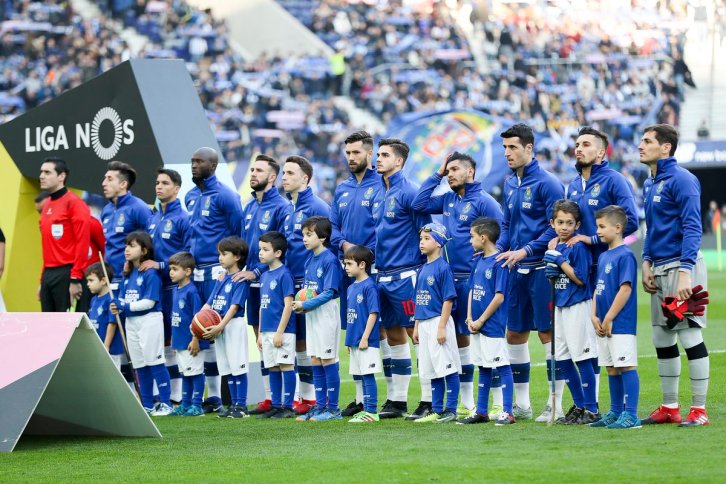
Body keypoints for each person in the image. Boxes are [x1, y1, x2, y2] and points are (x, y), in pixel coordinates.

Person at [412, 151, 503, 419]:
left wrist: (489, 262)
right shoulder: (448, 199)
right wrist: (437, 173)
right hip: (451, 279)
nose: (449, 174)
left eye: (454, 170)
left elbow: (502, 232)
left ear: (470, 171)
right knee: (457, 340)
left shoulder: (484, 201)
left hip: (474, 279)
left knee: (483, 338)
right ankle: (466, 402)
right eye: (448, 170)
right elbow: (418, 204)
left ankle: (498, 403)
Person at [561, 126, 638, 407]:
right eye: (577, 144)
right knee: (585, 339)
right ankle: (590, 406)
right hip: (579, 271)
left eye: (586, 144)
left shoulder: (615, 181)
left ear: (601, 152)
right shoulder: (572, 185)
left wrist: (592, 239)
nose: (579, 148)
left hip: (607, 269)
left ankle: (616, 408)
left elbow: (632, 221)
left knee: (609, 336)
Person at [639, 124, 710, 427]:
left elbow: (693, 227)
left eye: (647, 141)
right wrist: (646, 262)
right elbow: (652, 229)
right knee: (662, 337)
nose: (640, 145)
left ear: (666, 147)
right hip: (658, 267)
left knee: (689, 334)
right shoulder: (649, 182)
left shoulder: (683, 179)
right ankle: (670, 407)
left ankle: (699, 410)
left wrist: (685, 272)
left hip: (682, 267)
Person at [496, 124, 565, 422]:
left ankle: (555, 404)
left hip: (541, 269)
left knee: (547, 334)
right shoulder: (509, 183)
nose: (507, 153)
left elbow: (556, 228)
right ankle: (522, 404)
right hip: (515, 269)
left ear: (529, 148)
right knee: (514, 333)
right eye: (505, 148)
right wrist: (499, 248)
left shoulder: (549, 184)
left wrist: (525, 250)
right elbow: (507, 224)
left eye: (513, 147)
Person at [374, 138, 432, 419]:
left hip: (407, 274)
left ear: (399, 161)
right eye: (378, 154)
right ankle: (397, 401)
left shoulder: (410, 191)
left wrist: (424, 271)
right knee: (394, 336)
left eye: (385, 155)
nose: (378, 158)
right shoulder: (380, 192)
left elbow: (427, 232)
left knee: (416, 335)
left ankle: (428, 400)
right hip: (382, 275)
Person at [185, 147, 243, 414]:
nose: (194, 165)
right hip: (194, 272)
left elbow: (238, 233)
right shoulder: (190, 195)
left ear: (213, 165)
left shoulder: (226, 196)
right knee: (200, 328)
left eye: (199, 161)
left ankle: (232, 401)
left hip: (217, 272)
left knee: (221, 332)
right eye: (192, 161)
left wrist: (232, 268)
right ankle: (213, 397)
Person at [330, 130, 384, 417]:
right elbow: (332, 227)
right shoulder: (342, 188)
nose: (351, 158)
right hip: (348, 271)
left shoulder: (381, 185)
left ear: (369, 154)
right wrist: (344, 246)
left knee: (380, 331)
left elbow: (383, 229)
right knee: (353, 328)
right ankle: (361, 399)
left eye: (356, 153)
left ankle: (393, 399)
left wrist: (364, 254)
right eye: (348, 153)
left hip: (373, 270)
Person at [236, 155, 290, 415]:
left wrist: (256, 271)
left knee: (278, 340)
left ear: (272, 177)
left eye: (259, 170)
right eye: (252, 169)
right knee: (261, 341)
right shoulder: (248, 207)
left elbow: (282, 249)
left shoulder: (281, 207)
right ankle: (269, 398)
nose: (253, 174)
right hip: (252, 284)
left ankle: (289, 399)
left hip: (271, 282)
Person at [281, 156, 330, 415]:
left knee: (316, 343)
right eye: (283, 172)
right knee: (300, 341)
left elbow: (329, 244)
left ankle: (319, 400)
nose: (284, 177)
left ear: (305, 178)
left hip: (310, 283)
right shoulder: (288, 207)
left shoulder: (317, 206)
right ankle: (307, 397)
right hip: (293, 281)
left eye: (290, 173)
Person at [543, 200, 599, 425]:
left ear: (577, 225)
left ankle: (592, 408)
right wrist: (551, 272)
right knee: (563, 358)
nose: (564, 227)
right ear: (552, 223)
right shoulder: (554, 245)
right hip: (560, 305)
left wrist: (560, 262)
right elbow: (556, 277)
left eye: (569, 223)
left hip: (578, 304)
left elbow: (581, 279)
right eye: (560, 222)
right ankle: (579, 404)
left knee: (582, 356)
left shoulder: (579, 247)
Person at [110, 231, 172, 416]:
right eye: (126, 246)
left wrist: (124, 305)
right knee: (139, 364)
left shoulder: (151, 273)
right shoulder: (127, 273)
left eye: (132, 246)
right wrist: (117, 305)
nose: (126, 249)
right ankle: (147, 404)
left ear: (144, 250)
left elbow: (149, 302)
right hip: (131, 322)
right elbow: (123, 298)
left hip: (149, 320)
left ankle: (166, 404)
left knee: (155, 361)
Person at [460, 217, 515, 426]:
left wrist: (481, 320)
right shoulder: (477, 260)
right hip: (476, 324)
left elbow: (499, 297)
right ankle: (481, 411)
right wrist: (469, 317)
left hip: (491, 325)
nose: (470, 240)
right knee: (483, 366)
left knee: (502, 366)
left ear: (483, 237)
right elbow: (472, 290)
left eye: (472, 236)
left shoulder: (500, 262)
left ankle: (508, 411)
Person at [590, 206, 641, 429]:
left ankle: (632, 415)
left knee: (626, 366)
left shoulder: (625, 255)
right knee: (611, 367)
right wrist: (594, 315)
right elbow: (598, 288)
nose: (598, 231)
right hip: (603, 322)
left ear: (618, 228)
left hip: (620, 323)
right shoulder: (603, 256)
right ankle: (616, 411)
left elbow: (625, 289)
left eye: (602, 227)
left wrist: (609, 317)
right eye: (597, 226)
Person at [146, 168, 191, 404]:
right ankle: (170, 393)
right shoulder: (153, 218)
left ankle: (180, 394)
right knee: (162, 339)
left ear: (177, 188)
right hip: (155, 289)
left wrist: (162, 265)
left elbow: (189, 255)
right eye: (157, 182)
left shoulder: (183, 218)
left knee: (177, 339)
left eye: (165, 183)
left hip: (175, 289)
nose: (159, 186)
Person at [291, 216, 343, 422]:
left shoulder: (330, 260)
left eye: (309, 234)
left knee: (327, 359)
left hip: (326, 313)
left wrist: (305, 305)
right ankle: (320, 406)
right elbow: (308, 292)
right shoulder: (309, 260)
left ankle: (333, 409)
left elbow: (329, 292)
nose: (304, 239)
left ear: (322, 237)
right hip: (312, 313)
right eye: (303, 235)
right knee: (315, 358)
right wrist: (303, 305)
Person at [411, 222, 460, 423]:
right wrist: (416, 326)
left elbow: (448, 299)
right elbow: (418, 300)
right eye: (421, 239)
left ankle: (451, 409)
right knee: (432, 369)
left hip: (438, 322)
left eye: (427, 239)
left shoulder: (443, 268)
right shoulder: (422, 269)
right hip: (423, 324)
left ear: (439, 242)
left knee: (447, 367)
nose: (422, 242)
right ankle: (437, 409)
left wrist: (441, 327)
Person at [201, 236, 250, 419]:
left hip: (232, 325)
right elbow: (210, 303)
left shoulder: (240, 280)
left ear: (237, 256)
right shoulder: (221, 278)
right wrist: (196, 321)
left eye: (224, 254)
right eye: (219, 254)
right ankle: (232, 405)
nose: (220, 258)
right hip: (219, 326)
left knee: (238, 365)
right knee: (227, 367)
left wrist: (220, 326)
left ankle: (241, 406)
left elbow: (234, 307)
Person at [38, 157, 91, 312]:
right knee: (47, 323)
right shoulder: (47, 204)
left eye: (47, 172)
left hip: (67, 273)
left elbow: (83, 242)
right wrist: (42, 280)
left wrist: (75, 278)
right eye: (41, 172)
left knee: (66, 323)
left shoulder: (74, 203)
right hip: (48, 274)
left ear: (61, 176)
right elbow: (48, 247)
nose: (41, 176)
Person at [255, 231, 297, 419]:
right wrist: (259, 333)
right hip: (266, 330)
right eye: (260, 249)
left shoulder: (284, 274)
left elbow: (288, 304)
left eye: (265, 249)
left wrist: (280, 332)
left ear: (278, 253)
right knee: (272, 367)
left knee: (285, 365)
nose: (261, 253)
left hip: (283, 331)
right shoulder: (264, 276)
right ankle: (276, 405)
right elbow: (262, 306)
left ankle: (287, 406)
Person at [343, 245, 381, 423]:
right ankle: (366, 409)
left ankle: (372, 412)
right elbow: (352, 316)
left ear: (362, 265)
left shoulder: (370, 286)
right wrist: (349, 340)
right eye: (345, 264)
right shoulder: (351, 288)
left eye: (349, 264)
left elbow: (373, 313)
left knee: (368, 375)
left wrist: (365, 337)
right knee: (360, 375)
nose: (346, 267)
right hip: (355, 341)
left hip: (367, 341)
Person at [166, 251, 206, 417]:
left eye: (175, 269)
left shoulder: (192, 292)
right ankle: (186, 404)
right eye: (170, 269)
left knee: (195, 372)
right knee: (185, 373)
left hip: (191, 342)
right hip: (180, 341)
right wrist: (174, 340)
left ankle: (197, 406)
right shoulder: (176, 290)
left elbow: (198, 318)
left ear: (188, 271)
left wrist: (195, 339)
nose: (171, 272)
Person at [101, 161, 153, 290]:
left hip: (131, 277)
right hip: (109, 278)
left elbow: (151, 243)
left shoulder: (139, 209)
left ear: (123, 184)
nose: (104, 183)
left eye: (109, 179)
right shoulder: (106, 210)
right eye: (105, 178)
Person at [85, 262, 124, 368]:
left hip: (110, 350)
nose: (88, 284)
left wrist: (106, 346)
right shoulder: (93, 300)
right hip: (96, 348)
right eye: (87, 281)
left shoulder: (111, 299)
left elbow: (112, 324)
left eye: (91, 280)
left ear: (103, 280)